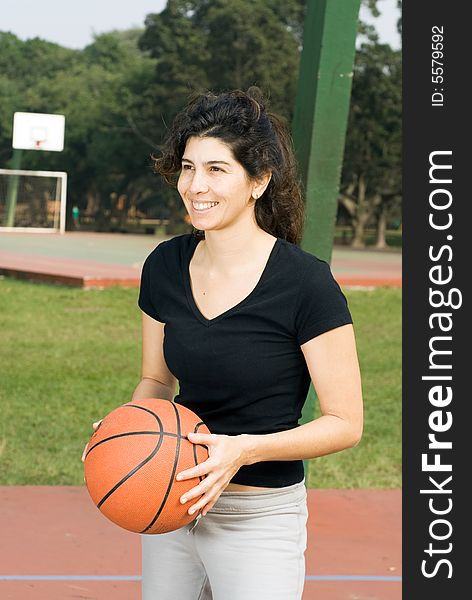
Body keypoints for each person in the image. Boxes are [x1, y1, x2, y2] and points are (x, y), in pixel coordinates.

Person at [86, 87, 363, 600]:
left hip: (258, 516)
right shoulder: (164, 266)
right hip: (172, 499)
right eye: (188, 168)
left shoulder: (306, 283)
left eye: (217, 169)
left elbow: (345, 423)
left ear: (259, 181)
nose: (195, 185)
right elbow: (156, 379)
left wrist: (244, 450)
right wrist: (125, 431)